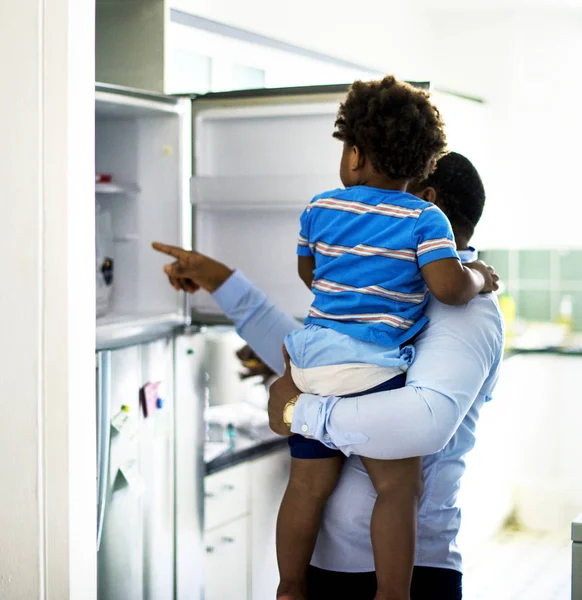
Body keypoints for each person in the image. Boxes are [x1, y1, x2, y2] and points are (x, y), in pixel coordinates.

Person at [152, 150, 504, 600]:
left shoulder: (466, 309)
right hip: (335, 569)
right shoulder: (396, 288)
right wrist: (220, 281)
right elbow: (330, 367)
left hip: (407, 577)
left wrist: (301, 411)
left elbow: (426, 420)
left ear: (426, 201)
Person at [274, 76, 496, 600]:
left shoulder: (320, 207)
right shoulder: (425, 218)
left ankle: (288, 586)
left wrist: (297, 407)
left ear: (353, 155)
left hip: (312, 361)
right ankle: (394, 593)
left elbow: (311, 274)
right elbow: (448, 285)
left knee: (305, 485)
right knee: (398, 487)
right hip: (370, 366)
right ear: (422, 169)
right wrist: (480, 277)